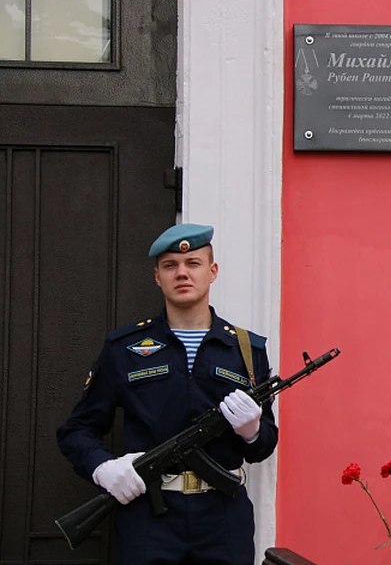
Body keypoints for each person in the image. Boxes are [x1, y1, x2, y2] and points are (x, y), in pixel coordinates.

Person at [57, 223, 276, 564]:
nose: (182, 273)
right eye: (171, 265)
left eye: (193, 263)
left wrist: (252, 432)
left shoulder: (246, 350)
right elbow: (77, 430)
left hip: (223, 518)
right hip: (148, 518)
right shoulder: (124, 348)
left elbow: (264, 446)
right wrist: (104, 468)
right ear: (158, 276)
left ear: (212, 271)